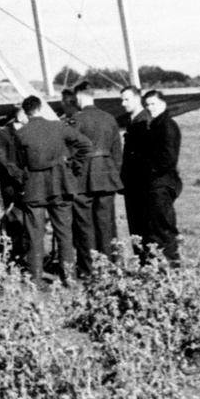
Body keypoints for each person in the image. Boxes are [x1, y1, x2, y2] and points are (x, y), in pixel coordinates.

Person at [14, 94, 91, 286]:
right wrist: (74, 165)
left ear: (26, 112)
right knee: (64, 233)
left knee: (35, 234)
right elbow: (86, 145)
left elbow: (19, 163)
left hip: (34, 188)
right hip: (60, 185)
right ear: (40, 108)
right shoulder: (58, 126)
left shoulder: (21, 134)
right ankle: (69, 277)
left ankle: (35, 278)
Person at [67, 83, 124, 273]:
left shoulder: (76, 119)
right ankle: (111, 266)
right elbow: (117, 151)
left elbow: (70, 151)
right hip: (106, 175)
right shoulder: (109, 118)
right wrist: (113, 173)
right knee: (106, 223)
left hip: (83, 177)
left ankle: (89, 268)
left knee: (84, 225)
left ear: (79, 98)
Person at [139, 89, 183, 265]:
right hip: (158, 184)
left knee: (164, 228)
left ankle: (172, 266)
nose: (150, 108)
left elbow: (168, 159)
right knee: (157, 228)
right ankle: (163, 268)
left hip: (162, 185)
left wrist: (149, 172)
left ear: (164, 104)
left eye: (153, 104)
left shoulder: (167, 126)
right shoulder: (157, 124)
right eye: (147, 105)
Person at [0, 105, 31, 265]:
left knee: (28, 221)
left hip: (26, 183)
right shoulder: (4, 135)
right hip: (12, 186)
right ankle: (18, 257)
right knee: (16, 222)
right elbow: (2, 162)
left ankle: (27, 255)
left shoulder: (27, 133)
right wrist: (22, 179)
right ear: (20, 116)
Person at [119, 84, 151, 259]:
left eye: (127, 99)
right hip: (133, 186)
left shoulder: (143, 121)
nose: (123, 104)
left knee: (142, 230)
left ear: (138, 98)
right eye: (122, 100)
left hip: (140, 186)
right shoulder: (136, 120)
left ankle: (147, 267)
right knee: (137, 231)